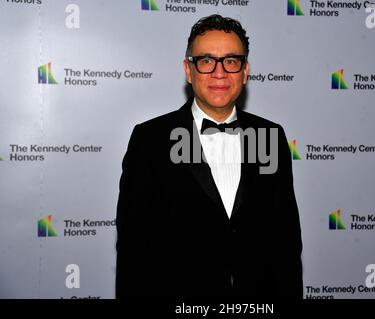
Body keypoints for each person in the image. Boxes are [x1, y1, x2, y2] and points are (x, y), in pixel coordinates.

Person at [115, 14, 303, 300]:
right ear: (188, 71)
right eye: (206, 61)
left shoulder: (271, 136)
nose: (219, 73)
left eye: (231, 61)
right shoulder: (150, 140)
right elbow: (133, 250)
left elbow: (286, 245)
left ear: (245, 71)